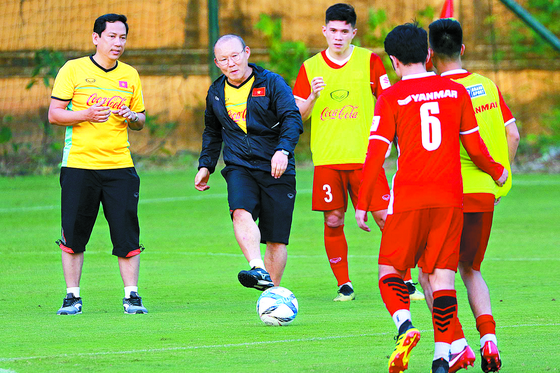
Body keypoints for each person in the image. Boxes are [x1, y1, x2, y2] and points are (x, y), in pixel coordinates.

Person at [355, 23, 508, 373]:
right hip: (450, 198)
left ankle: (405, 325)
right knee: (442, 277)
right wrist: (497, 171)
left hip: (410, 195)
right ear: (427, 55)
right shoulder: (455, 92)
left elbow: (375, 154)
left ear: (393, 61)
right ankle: (442, 356)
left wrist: (364, 202)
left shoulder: (391, 97)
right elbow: (476, 147)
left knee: (390, 269)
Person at [292, 3, 424, 302]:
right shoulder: (310, 67)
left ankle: (406, 279)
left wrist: (397, 141)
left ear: (354, 32)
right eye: (333, 31)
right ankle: (344, 285)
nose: (338, 37)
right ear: (324, 31)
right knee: (333, 220)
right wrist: (312, 95)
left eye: (344, 31)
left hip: (367, 158)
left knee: (385, 219)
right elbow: (298, 116)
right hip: (327, 159)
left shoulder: (370, 62)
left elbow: (390, 100)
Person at [415, 18, 520, 373]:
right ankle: (488, 339)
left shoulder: (433, 92)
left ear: (429, 55)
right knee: (471, 268)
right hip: (484, 194)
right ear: (461, 49)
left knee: (429, 274)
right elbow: (513, 135)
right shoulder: (487, 85)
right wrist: (499, 181)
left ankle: (457, 343)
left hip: (447, 196)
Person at [48, 14, 148, 315]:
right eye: (112, 36)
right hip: (79, 165)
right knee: (74, 233)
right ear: (96, 38)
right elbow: (54, 114)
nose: (118, 43)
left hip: (120, 167)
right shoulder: (73, 70)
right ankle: (72, 297)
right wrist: (85, 115)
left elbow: (141, 120)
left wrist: (132, 117)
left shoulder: (130, 75)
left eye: (122, 38)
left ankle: (132, 296)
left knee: (127, 233)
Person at [195, 34, 303, 291]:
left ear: (247, 53)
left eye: (234, 56)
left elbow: (292, 118)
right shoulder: (216, 92)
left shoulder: (272, 82)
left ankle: (271, 294)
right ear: (217, 63)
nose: (231, 63)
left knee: (276, 240)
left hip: (277, 167)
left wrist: (283, 151)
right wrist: (205, 165)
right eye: (224, 59)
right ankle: (257, 267)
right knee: (240, 211)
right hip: (239, 165)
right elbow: (212, 131)